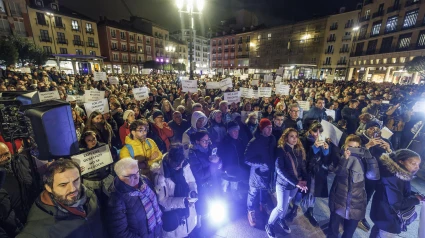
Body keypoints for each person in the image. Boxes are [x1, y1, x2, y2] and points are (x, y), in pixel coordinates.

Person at [17, 159, 104, 237]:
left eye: (76, 180)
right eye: (63, 185)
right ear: (48, 188)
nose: (73, 189)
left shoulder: (90, 195)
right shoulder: (38, 228)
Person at [327, 135, 379, 238]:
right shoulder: (338, 155)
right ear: (345, 146)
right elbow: (337, 172)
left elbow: (374, 176)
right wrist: (344, 159)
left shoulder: (363, 158)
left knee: (348, 233)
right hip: (338, 199)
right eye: (350, 147)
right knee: (332, 231)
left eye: (356, 148)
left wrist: (369, 156)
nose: (353, 150)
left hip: (357, 202)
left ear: (360, 147)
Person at [370, 149, 424, 238]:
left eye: (418, 164)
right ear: (401, 162)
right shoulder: (394, 177)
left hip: (383, 215)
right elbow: (397, 203)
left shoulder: (398, 173)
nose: (417, 167)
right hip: (388, 218)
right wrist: (416, 199)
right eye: (413, 163)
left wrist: (415, 194)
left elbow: (400, 191)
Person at [265, 128, 308, 238]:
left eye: (296, 136)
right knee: (280, 207)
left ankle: (280, 219)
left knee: (288, 202)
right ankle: (269, 225)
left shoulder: (298, 149)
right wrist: (296, 182)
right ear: (286, 138)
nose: (294, 138)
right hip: (284, 184)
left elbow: (302, 166)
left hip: (294, 184)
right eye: (291, 136)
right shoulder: (281, 149)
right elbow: (280, 170)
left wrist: (305, 181)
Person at [107, 158, 163, 238]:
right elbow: (121, 234)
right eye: (131, 176)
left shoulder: (144, 180)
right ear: (120, 177)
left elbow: (155, 206)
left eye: (137, 172)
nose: (137, 178)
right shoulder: (117, 200)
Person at [152, 147, 198, 238]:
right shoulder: (160, 177)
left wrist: (193, 192)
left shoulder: (185, 166)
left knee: (189, 232)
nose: (180, 167)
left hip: (189, 214)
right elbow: (163, 200)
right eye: (178, 165)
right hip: (175, 219)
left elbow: (191, 182)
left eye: (181, 163)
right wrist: (183, 202)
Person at [245, 118, 276, 227]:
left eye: (271, 127)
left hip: (267, 172)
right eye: (267, 128)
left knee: (264, 189)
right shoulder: (254, 141)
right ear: (261, 128)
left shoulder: (272, 139)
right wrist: (261, 163)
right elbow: (247, 159)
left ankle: (262, 204)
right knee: (252, 192)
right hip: (256, 174)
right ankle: (250, 211)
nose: (270, 130)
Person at [188, 130, 222, 227]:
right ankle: (200, 225)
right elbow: (199, 175)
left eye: (208, 140)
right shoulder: (193, 154)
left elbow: (219, 164)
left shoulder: (210, 149)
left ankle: (211, 221)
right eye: (204, 141)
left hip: (213, 182)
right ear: (197, 141)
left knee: (214, 203)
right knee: (203, 206)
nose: (207, 143)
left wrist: (218, 161)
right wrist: (214, 165)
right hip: (202, 185)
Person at [301, 122, 331, 227]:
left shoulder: (324, 141)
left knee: (314, 192)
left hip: (318, 172)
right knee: (304, 191)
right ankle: (295, 208)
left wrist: (326, 150)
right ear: (310, 130)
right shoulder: (304, 140)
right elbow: (304, 158)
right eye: (314, 131)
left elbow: (327, 160)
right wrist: (314, 148)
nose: (316, 134)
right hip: (307, 171)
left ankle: (310, 210)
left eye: (320, 132)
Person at [0, 143, 34, 225]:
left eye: (6, 154)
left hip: (34, 211)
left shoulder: (21, 161)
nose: (4, 158)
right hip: (16, 222)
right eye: (0, 156)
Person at [79, 131, 114, 207]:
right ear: (84, 141)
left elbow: (111, 162)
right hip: (90, 181)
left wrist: (111, 175)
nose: (93, 141)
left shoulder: (103, 147)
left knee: (109, 201)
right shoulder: (80, 152)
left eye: (94, 138)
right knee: (95, 203)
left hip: (105, 178)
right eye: (89, 140)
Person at [218, 121, 249, 198]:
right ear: (229, 131)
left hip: (237, 168)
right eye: (234, 131)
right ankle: (223, 196)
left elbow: (242, 154)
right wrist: (223, 168)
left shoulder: (240, 141)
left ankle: (234, 195)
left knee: (235, 183)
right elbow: (221, 156)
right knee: (224, 184)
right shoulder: (224, 142)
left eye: (237, 130)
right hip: (227, 169)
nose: (236, 132)